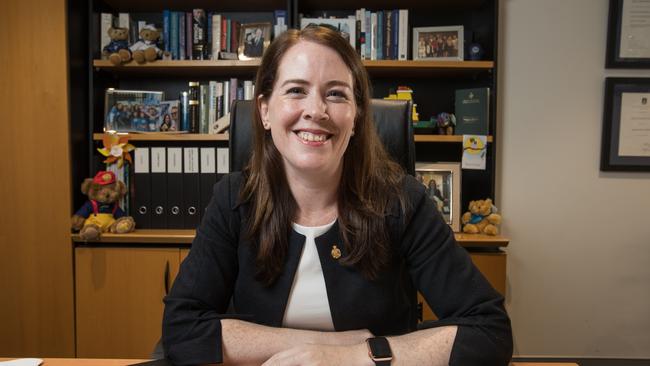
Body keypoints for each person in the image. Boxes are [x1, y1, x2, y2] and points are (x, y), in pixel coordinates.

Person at [162, 26, 512, 366]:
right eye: (297, 90)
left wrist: (357, 355)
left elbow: (489, 332)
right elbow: (181, 329)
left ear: (357, 116)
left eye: (336, 94)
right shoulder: (233, 199)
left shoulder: (404, 201)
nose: (316, 110)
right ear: (265, 111)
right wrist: (326, 344)